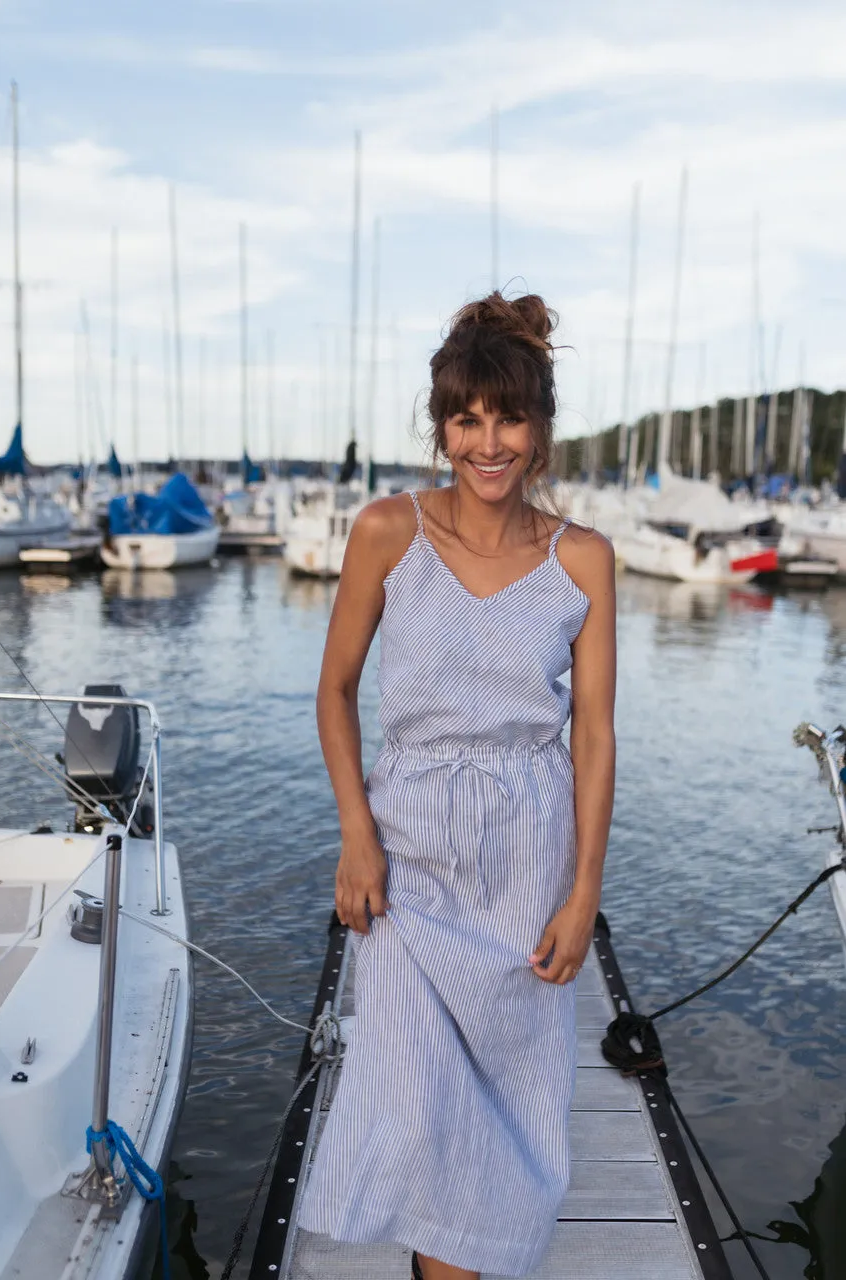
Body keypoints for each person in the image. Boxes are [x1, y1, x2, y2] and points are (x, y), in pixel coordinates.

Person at [298, 291, 617, 1280]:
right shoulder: (389, 530)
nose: (488, 443)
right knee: (427, 1108)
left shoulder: (585, 560)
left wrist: (583, 894)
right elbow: (336, 690)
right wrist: (356, 831)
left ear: (542, 426)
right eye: (466, 417)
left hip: (527, 862)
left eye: (508, 416)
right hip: (407, 859)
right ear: (441, 424)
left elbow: (596, 738)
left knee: (510, 1110)